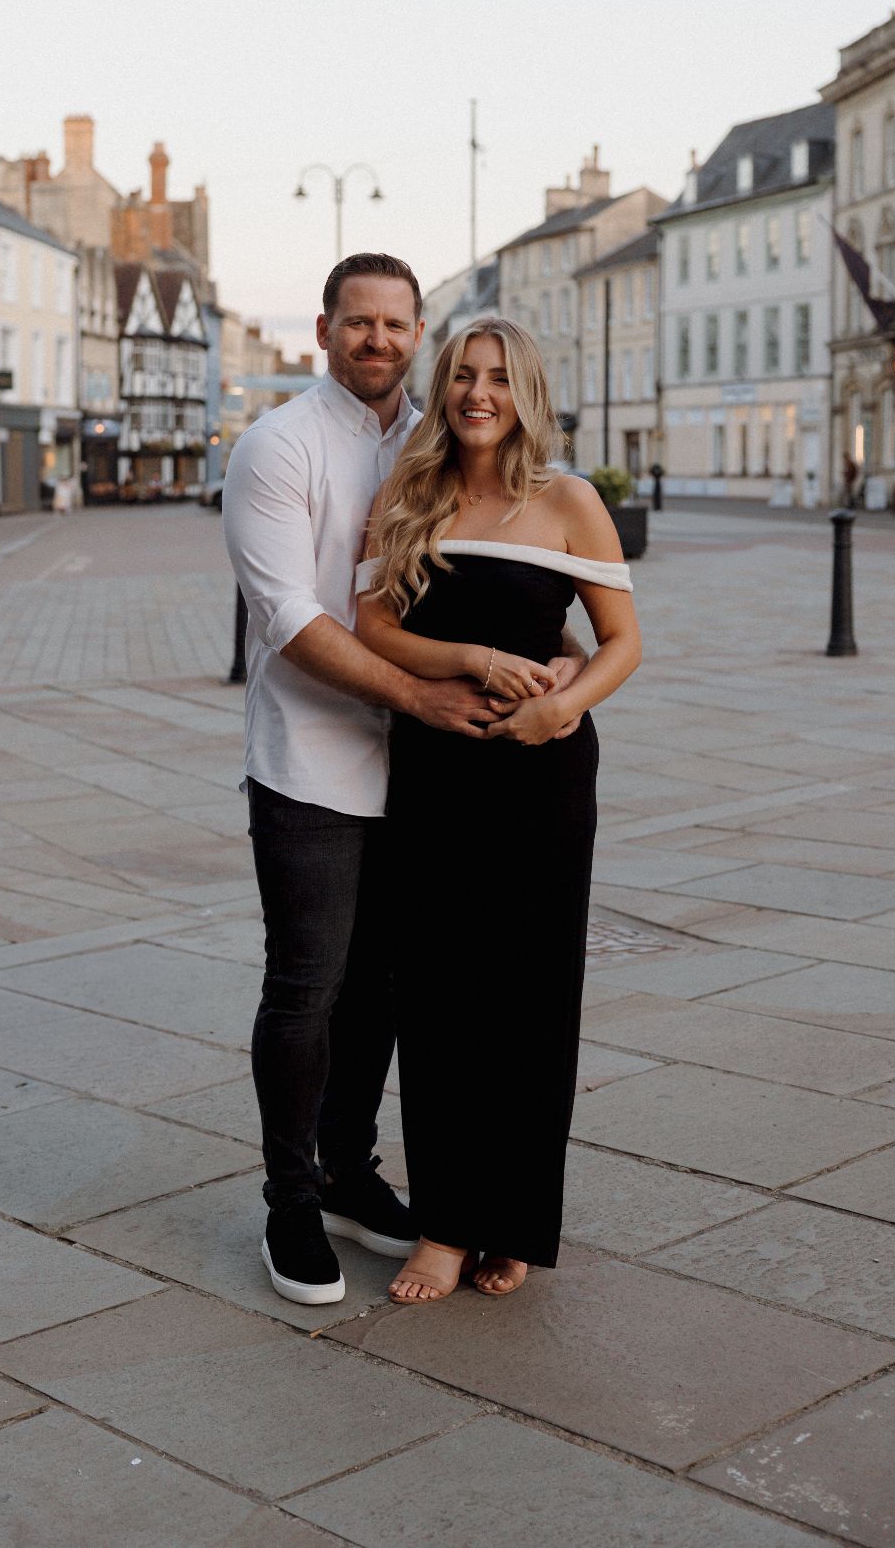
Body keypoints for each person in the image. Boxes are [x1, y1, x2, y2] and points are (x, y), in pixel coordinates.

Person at [223, 257, 588, 1305]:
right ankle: (290, 1200)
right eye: (357, 321)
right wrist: (425, 694)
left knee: (398, 990)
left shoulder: (429, 447)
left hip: (433, 779)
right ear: (324, 330)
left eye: (395, 323)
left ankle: (346, 1170)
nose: (376, 339)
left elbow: (487, 581)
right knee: (308, 987)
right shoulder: (276, 446)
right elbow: (293, 622)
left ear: (417, 331)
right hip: (317, 764)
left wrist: (559, 657)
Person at [356, 316, 642, 1303]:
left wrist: (562, 703)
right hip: (435, 767)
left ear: (526, 393)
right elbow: (374, 624)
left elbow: (621, 642)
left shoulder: (568, 500)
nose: (480, 393)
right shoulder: (409, 491)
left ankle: (512, 1218)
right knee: (435, 989)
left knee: (529, 995)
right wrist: (471, 659)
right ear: (444, 389)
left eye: (499, 379)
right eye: (464, 376)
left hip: (544, 779)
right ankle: (443, 1223)